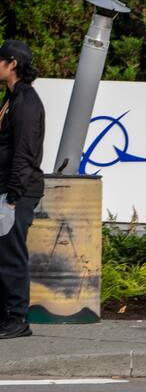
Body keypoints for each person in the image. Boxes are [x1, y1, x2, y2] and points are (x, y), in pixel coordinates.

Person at [0, 40, 45, 339]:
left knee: (11, 255)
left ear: (12, 63)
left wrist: (13, 198)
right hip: (7, 189)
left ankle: (18, 319)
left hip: (18, 193)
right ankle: (7, 316)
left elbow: (25, 154)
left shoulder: (26, 103)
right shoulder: (12, 98)